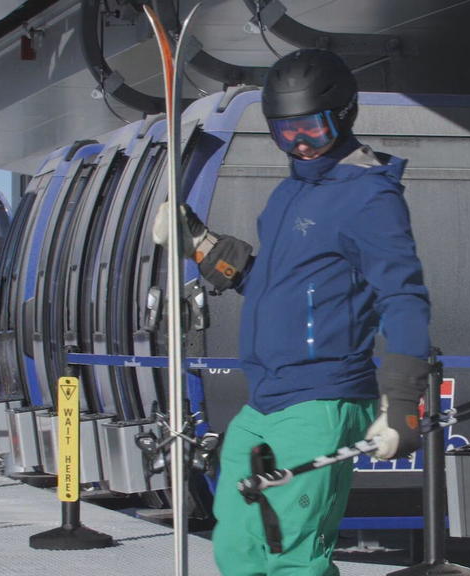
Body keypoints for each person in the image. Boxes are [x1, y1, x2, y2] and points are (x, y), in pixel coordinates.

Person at [154, 48, 431, 575]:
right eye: (286, 132)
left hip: (322, 398)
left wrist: (400, 402)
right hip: (264, 398)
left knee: (293, 558)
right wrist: (202, 246)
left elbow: (404, 298)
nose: (301, 144)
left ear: (344, 116)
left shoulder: (370, 197)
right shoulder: (288, 194)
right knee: (237, 549)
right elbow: (273, 286)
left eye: (314, 130)